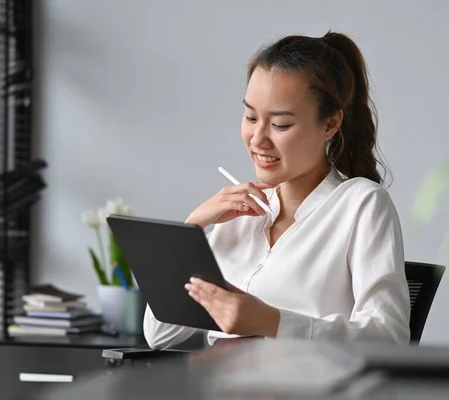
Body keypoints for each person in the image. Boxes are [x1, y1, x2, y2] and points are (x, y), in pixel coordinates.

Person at [144, 31, 411, 349]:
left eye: (280, 125)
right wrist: (192, 227)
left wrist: (271, 321)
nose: (258, 138)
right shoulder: (239, 211)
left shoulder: (362, 205)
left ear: (330, 124)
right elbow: (159, 335)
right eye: (250, 116)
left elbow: (389, 337)